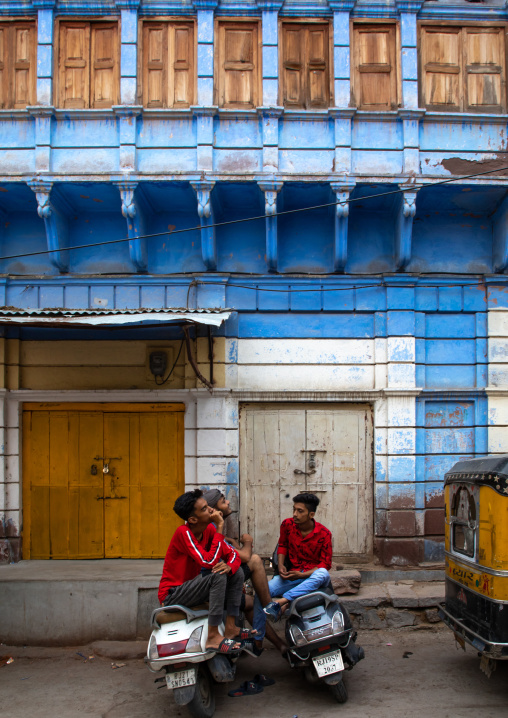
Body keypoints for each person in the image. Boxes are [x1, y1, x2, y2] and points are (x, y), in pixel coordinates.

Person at [158, 489, 248, 655]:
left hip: (193, 589)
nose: (212, 510)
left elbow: (233, 554)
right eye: (205, 508)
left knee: (236, 572)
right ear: (192, 519)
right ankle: (213, 636)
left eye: (208, 506)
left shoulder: (208, 531)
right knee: (217, 575)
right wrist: (220, 526)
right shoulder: (183, 533)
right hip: (173, 594)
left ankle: (230, 627)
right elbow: (208, 562)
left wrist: (230, 566)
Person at [202, 488, 287, 656]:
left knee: (250, 603)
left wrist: (233, 542)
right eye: (223, 501)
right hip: (212, 584)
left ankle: (270, 644)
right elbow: (245, 556)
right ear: (215, 509)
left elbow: (231, 554)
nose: (227, 503)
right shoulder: (212, 528)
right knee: (255, 560)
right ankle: (270, 606)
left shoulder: (213, 527)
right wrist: (247, 541)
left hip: (216, 580)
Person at [253, 492, 332, 636]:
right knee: (261, 590)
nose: (295, 514)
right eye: (294, 509)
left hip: (312, 577)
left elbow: (325, 564)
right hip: (291, 576)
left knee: (323, 574)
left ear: (311, 515)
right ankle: (258, 635)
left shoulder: (324, 534)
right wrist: (281, 565)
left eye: (300, 511)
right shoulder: (287, 525)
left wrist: (302, 575)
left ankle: (282, 602)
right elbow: (282, 545)